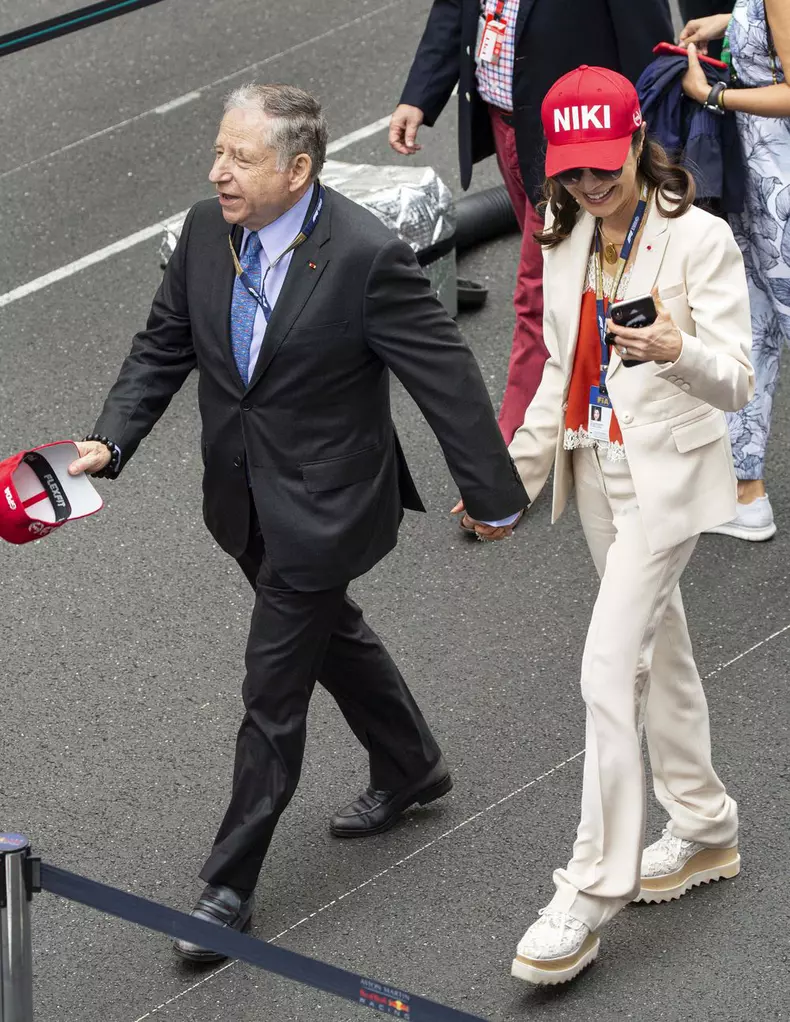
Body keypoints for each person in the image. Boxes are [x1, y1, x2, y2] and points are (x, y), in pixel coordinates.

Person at [68, 84, 527, 962]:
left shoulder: (364, 256)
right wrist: (108, 441)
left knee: (271, 691)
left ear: (300, 168)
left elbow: (447, 379)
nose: (218, 172)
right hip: (242, 496)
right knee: (332, 636)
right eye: (218, 152)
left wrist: (494, 493)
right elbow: (165, 342)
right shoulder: (207, 232)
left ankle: (227, 888)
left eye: (241, 158)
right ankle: (412, 762)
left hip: (326, 505)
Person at [504, 65, 753, 985]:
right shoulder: (563, 234)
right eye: (572, 170)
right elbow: (554, 372)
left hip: (668, 482)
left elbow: (739, 379)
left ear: (639, 138)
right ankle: (703, 824)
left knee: (608, 668)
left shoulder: (701, 238)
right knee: (664, 652)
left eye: (604, 166)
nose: (590, 184)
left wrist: (675, 348)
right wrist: (511, 485)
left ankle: (590, 888)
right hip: (596, 471)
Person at [390, 0, 675, 446]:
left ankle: (516, 451)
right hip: (507, 126)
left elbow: (648, 50)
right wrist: (419, 95)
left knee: (537, 294)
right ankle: (599, 399)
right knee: (576, 276)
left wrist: (646, 161)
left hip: (579, 146)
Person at [680, 1, 790, 540]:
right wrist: (734, 22)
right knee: (750, 328)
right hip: (759, 185)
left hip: (780, 190)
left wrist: (712, 95)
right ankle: (743, 490)